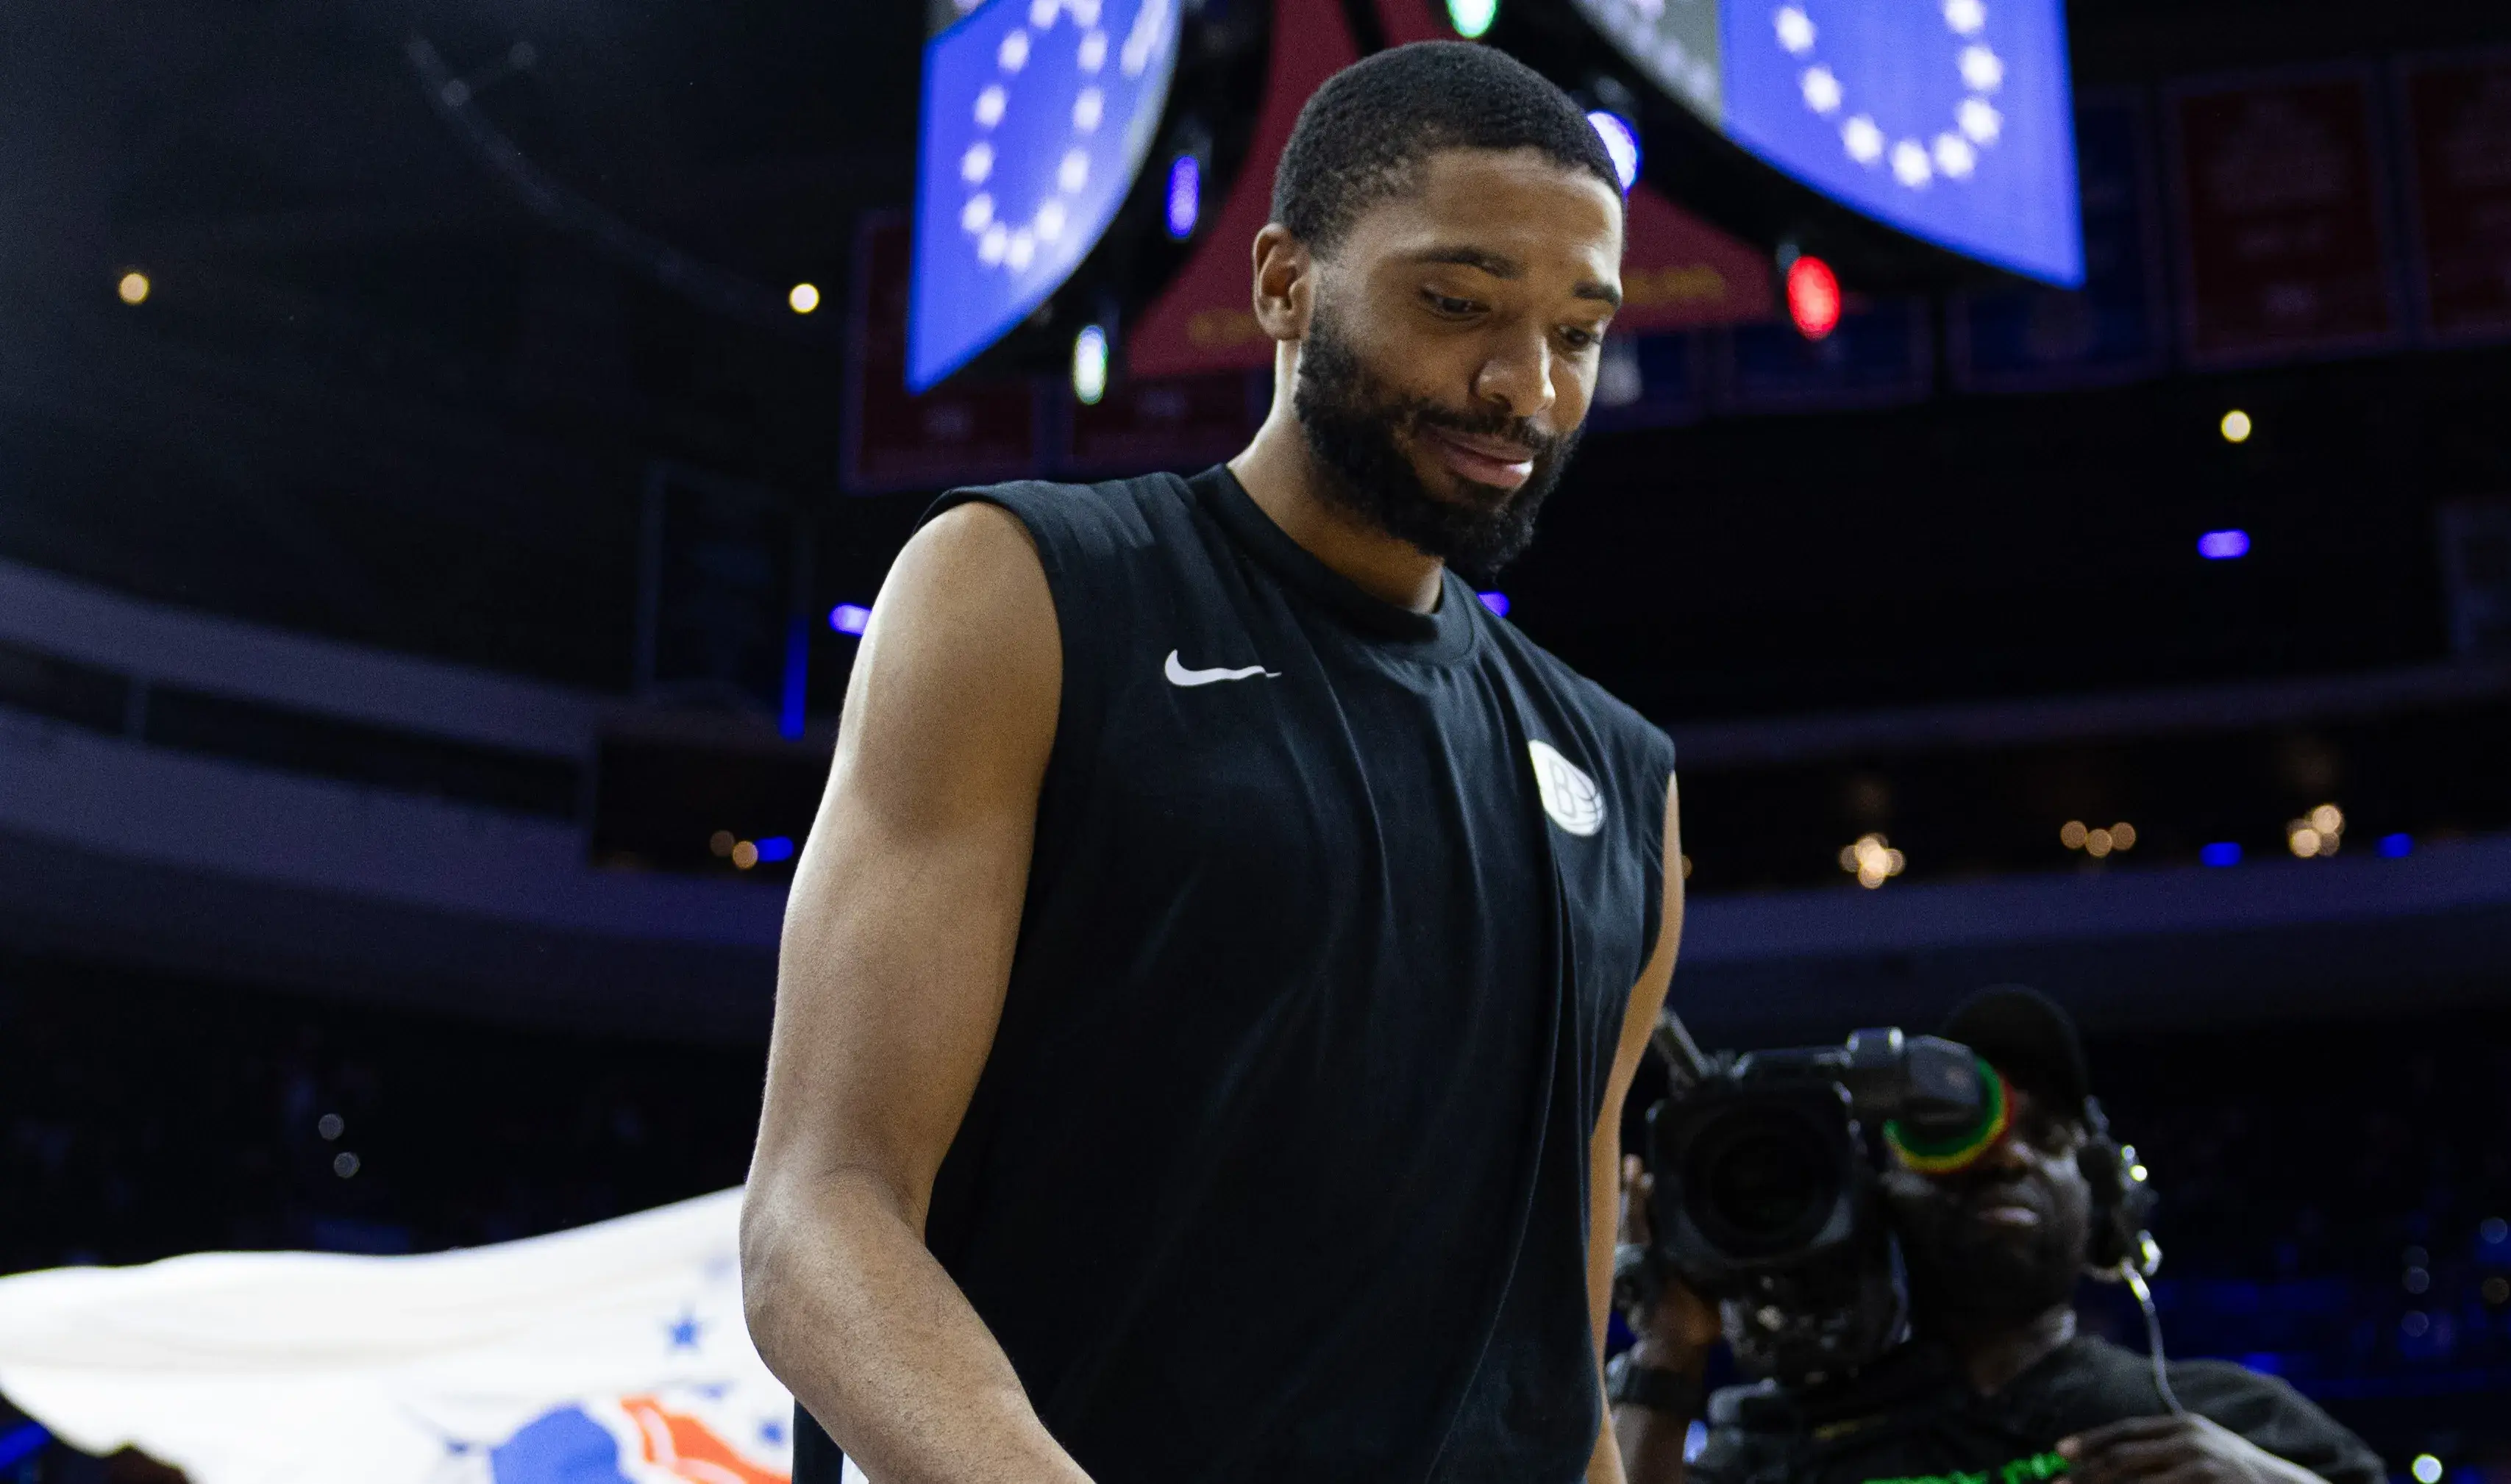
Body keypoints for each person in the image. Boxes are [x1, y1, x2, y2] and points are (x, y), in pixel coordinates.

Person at [741, 40, 1684, 1484]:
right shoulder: (1031, 590)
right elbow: (820, 1213)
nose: (1525, 387)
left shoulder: (1622, 782)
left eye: (1578, 332)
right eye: (1456, 304)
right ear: (1284, 284)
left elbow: (1555, 1372)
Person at [1612, 988, 2385, 1484]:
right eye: (1949, 1140)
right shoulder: (1783, 1439)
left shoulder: (2229, 1420)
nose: (2007, 1153)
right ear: (1879, 1198)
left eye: (2047, 1135)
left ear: (2107, 1201)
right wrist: (1671, 1345)